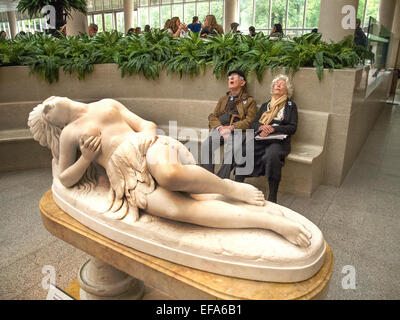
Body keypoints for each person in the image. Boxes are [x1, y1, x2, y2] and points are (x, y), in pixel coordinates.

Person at [28, 96, 312, 248]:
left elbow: (145, 123)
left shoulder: (106, 104)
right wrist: (86, 159)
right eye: (46, 113)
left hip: (147, 146)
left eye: (48, 102)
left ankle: (230, 187)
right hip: (125, 175)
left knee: (169, 174)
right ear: (54, 125)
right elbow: (64, 177)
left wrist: (146, 136)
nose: (48, 106)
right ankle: (269, 222)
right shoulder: (69, 134)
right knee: (181, 210)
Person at [234, 75, 298, 204]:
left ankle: (272, 196)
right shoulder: (265, 105)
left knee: (272, 156)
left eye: (282, 84)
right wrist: (263, 127)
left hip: (278, 140)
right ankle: (237, 188)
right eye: (276, 84)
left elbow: (292, 127)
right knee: (245, 150)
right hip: (262, 137)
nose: (278, 85)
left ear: (287, 90)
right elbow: (254, 124)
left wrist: (274, 129)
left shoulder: (291, 106)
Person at [200, 70, 257, 179]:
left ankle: (220, 180)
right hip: (221, 129)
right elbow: (213, 116)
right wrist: (220, 128)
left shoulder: (250, 101)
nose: (230, 79)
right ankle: (207, 178)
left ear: (242, 83)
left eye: (234, 77)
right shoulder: (223, 99)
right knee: (206, 145)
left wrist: (231, 128)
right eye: (229, 77)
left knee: (231, 150)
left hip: (238, 131)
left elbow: (250, 121)